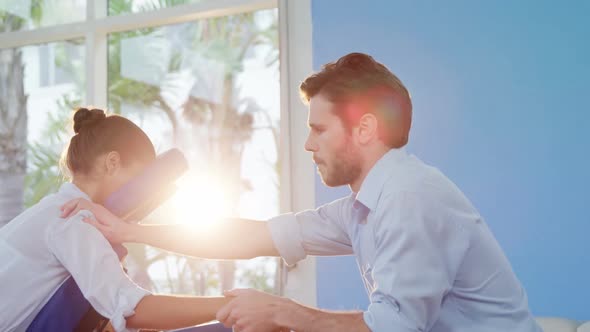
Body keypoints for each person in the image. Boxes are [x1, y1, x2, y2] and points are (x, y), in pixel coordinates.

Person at [61, 53, 542, 332]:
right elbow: (249, 236)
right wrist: (134, 231)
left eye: (319, 129)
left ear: (364, 129)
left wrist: (282, 310)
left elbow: (394, 328)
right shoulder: (363, 206)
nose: (309, 144)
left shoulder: (410, 197)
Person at [0, 108, 231, 332]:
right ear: (112, 163)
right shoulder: (73, 220)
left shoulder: (51, 212)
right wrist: (228, 305)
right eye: (140, 178)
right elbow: (131, 308)